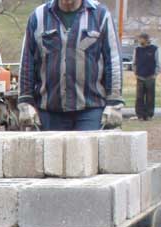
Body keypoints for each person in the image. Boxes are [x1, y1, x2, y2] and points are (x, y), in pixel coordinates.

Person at [18, 0, 124, 131]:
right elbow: (27, 62)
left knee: (87, 151)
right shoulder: (38, 17)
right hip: (50, 112)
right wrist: (25, 101)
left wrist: (114, 103)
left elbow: (113, 61)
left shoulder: (100, 16)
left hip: (91, 110)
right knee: (52, 152)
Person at [133, 32, 159, 121]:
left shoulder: (154, 49)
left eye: (141, 39)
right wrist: (135, 73)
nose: (140, 40)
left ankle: (149, 115)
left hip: (150, 76)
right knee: (139, 97)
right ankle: (140, 115)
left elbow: (158, 63)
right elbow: (134, 63)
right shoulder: (137, 49)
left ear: (146, 39)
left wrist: (155, 74)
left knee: (150, 97)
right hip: (140, 77)